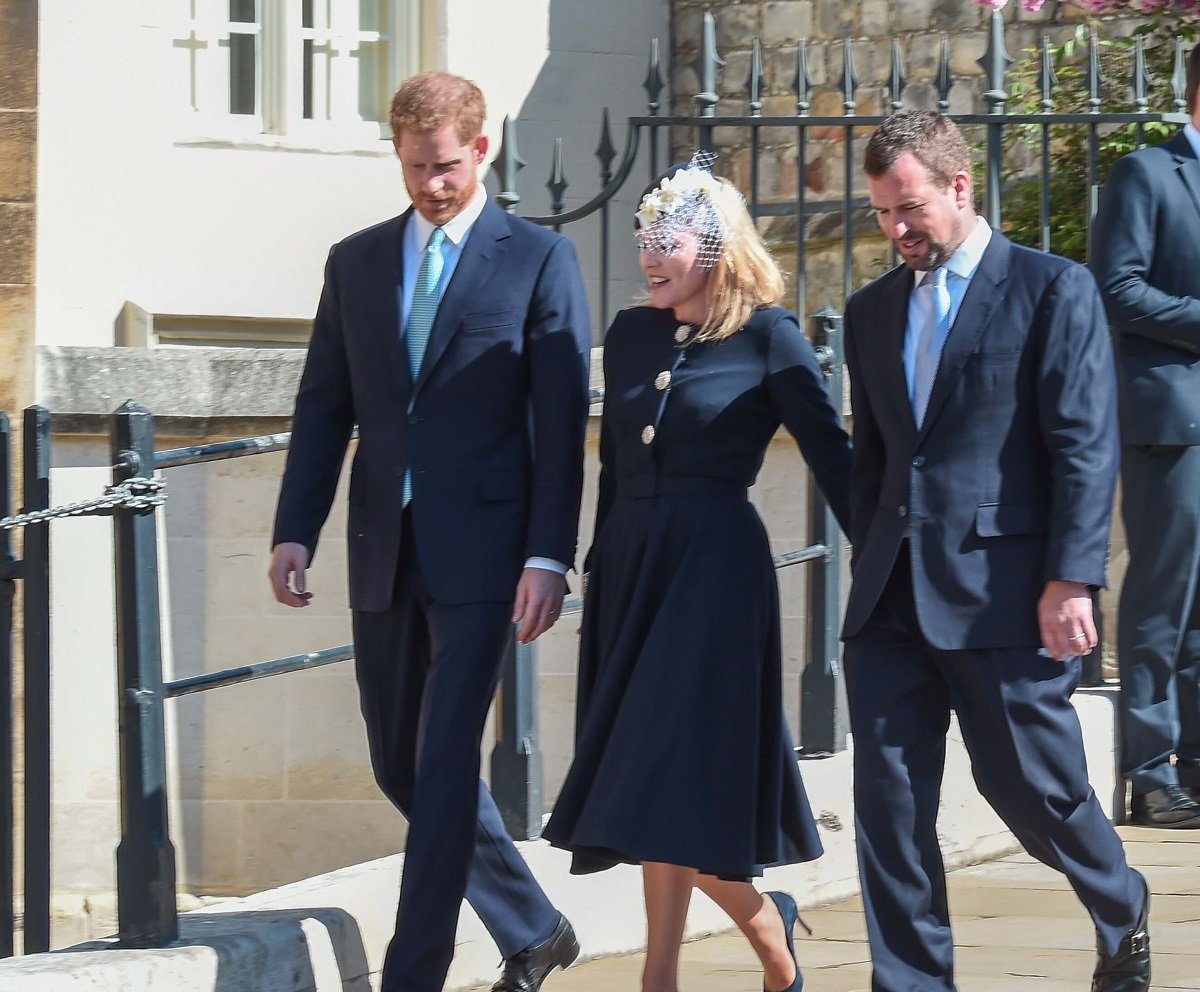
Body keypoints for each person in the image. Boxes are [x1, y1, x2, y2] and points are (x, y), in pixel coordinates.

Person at [267, 72, 591, 992]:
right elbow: (324, 407)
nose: (430, 185)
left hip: (489, 555)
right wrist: (297, 528)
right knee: (399, 762)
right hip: (383, 547)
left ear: (480, 150)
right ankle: (534, 926)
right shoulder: (357, 261)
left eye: (445, 167)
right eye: (414, 168)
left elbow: (561, 425)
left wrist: (548, 555)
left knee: (446, 758)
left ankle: (417, 971)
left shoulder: (537, 258)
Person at [841, 110, 1149, 992]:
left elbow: (1084, 444)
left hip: (1009, 593)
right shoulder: (869, 313)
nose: (897, 230)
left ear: (959, 187)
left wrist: (1070, 578)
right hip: (893, 599)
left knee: (1032, 790)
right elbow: (874, 460)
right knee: (890, 809)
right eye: (883, 215)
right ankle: (911, 981)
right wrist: (871, 557)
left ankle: (1119, 900)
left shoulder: (1052, 289)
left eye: (910, 208)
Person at [543, 153, 853, 992]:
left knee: (656, 769)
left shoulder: (769, 336)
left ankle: (727, 943)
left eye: (667, 240)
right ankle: (679, 968)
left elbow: (837, 460)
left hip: (715, 577)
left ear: (714, 248)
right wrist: (596, 568)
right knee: (653, 777)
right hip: (635, 571)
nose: (648, 255)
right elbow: (610, 467)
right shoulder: (633, 332)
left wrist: (898, 560)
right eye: (645, 237)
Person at [1090, 43, 1200, 829]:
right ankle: (1150, 768)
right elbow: (1117, 288)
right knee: (1163, 599)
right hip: (1172, 421)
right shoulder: (1147, 175)